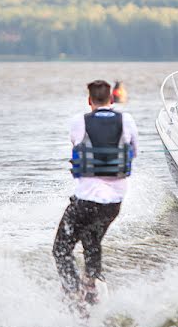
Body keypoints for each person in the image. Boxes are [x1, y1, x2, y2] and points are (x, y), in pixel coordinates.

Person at [53, 80, 138, 308]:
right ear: (112, 99)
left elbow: (76, 144)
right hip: (113, 204)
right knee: (91, 242)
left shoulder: (79, 121)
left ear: (90, 100)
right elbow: (134, 151)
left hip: (86, 202)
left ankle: (74, 294)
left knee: (61, 250)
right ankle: (91, 284)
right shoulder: (126, 120)